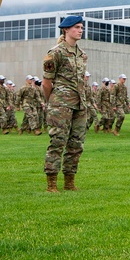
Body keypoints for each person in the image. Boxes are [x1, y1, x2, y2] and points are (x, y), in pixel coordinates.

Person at [42, 15, 90, 192]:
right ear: (66, 29)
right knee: (57, 142)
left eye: (81, 27)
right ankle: (51, 183)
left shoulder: (82, 55)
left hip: (79, 103)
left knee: (76, 144)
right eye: (77, 27)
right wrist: (52, 103)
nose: (80, 30)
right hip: (60, 104)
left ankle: (69, 181)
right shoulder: (55, 53)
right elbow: (47, 82)